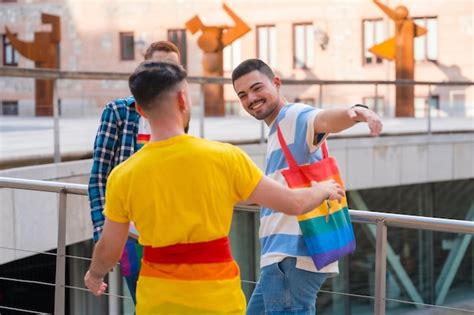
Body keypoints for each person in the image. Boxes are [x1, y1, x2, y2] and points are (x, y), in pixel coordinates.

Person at [84, 61, 345, 314]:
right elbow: (293, 203)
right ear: (183, 101)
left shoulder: (123, 175)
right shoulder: (225, 158)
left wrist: (95, 274)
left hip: (158, 301)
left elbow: (109, 248)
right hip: (219, 300)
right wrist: (323, 189)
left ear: (139, 109)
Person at [231, 59, 383, 315]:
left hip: (291, 257)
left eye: (257, 88)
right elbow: (276, 191)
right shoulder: (277, 130)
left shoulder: (292, 116)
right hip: (281, 258)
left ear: (276, 83)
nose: (251, 99)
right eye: (242, 95)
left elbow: (322, 119)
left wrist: (356, 112)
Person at [87, 41, 181, 302]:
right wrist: (102, 234)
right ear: (144, 69)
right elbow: (98, 176)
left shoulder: (180, 114)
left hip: (168, 234)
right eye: (157, 66)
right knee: (144, 300)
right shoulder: (118, 111)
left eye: (172, 67)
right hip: (129, 236)